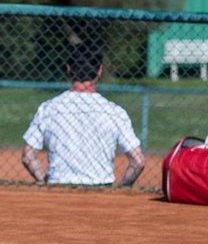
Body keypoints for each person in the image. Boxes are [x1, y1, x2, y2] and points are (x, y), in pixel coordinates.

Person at [21, 44, 146, 187]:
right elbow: (138, 161)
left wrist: (44, 180)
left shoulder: (49, 108)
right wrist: (120, 189)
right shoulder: (115, 112)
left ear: (68, 69)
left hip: (58, 188)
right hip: (101, 189)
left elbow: (28, 156)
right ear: (99, 71)